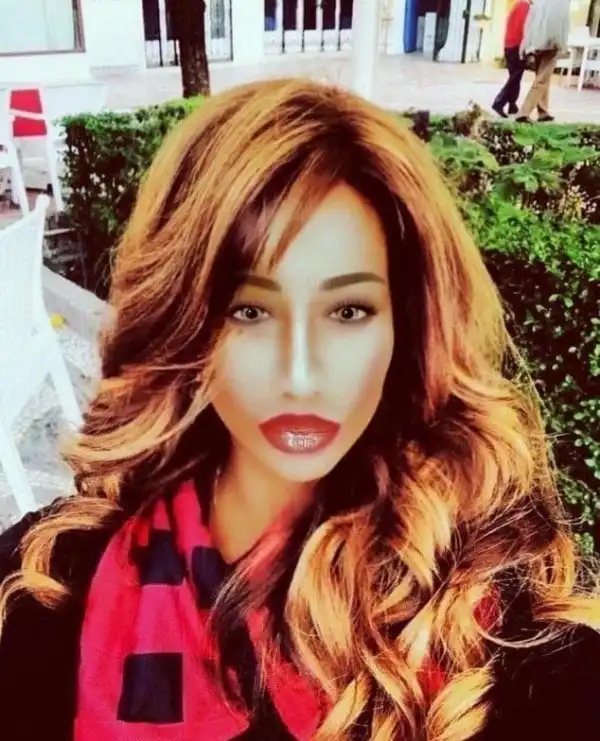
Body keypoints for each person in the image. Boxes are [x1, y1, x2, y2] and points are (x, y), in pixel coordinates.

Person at [1, 78, 600, 741]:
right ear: (185, 322)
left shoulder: (493, 613)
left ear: (407, 325)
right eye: (250, 311)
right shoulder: (49, 584)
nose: (301, 374)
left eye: (348, 311)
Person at [516, 0, 571, 122]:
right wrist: (562, 45)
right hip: (551, 44)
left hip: (536, 43)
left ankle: (543, 111)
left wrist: (527, 45)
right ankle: (523, 113)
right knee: (542, 79)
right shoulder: (562, 3)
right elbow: (562, 25)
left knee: (543, 77)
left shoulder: (539, 2)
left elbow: (529, 24)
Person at [492, 0, 532, 118]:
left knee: (515, 77)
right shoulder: (526, 7)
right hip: (517, 46)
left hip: (509, 45)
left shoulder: (517, 5)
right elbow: (525, 28)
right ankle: (499, 102)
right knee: (515, 77)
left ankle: (512, 104)